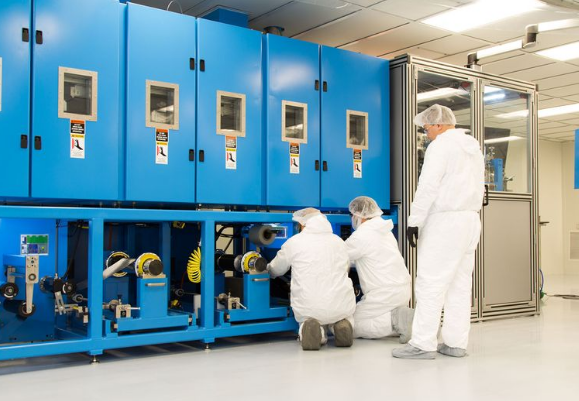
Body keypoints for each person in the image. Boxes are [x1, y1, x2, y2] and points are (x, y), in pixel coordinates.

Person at [392, 104, 484, 360]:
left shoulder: (441, 146)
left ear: (439, 125)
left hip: (445, 222)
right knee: (459, 285)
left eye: (427, 128)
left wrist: (414, 220)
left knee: (430, 283)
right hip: (470, 220)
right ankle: (455, 343)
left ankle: (422, 344)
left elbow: (428, 186)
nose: (426, 134)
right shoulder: (472, 147)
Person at [268, 208, 356, 351]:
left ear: (303, 224)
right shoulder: (338, 241)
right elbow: (346, 268)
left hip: (310, 306)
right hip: (340, 304)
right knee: (340, 315)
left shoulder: (295, 242)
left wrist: (267, 271)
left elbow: (277, 269)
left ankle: (315, 332)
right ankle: (341, 325)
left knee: (309, 319)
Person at [346, 196, 414, 342]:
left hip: (384, 294)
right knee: (367, 320)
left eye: (352, 215)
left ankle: (398, 320)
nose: (352, 219)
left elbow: (338, 257)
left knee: (348, 326)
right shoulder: (385, 231)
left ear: (360, 215)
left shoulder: (361, 235)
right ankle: (405, 320)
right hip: (402, 290)